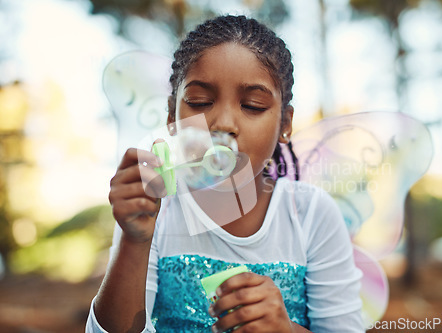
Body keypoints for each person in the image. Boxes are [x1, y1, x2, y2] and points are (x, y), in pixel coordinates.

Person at [86, 15, 364, 333]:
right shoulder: (154, 210)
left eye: (253, 105)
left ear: (285, 124)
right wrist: (135, 241)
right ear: (171, 116)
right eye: (200, 102)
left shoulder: (312, 214)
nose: (223, 125)